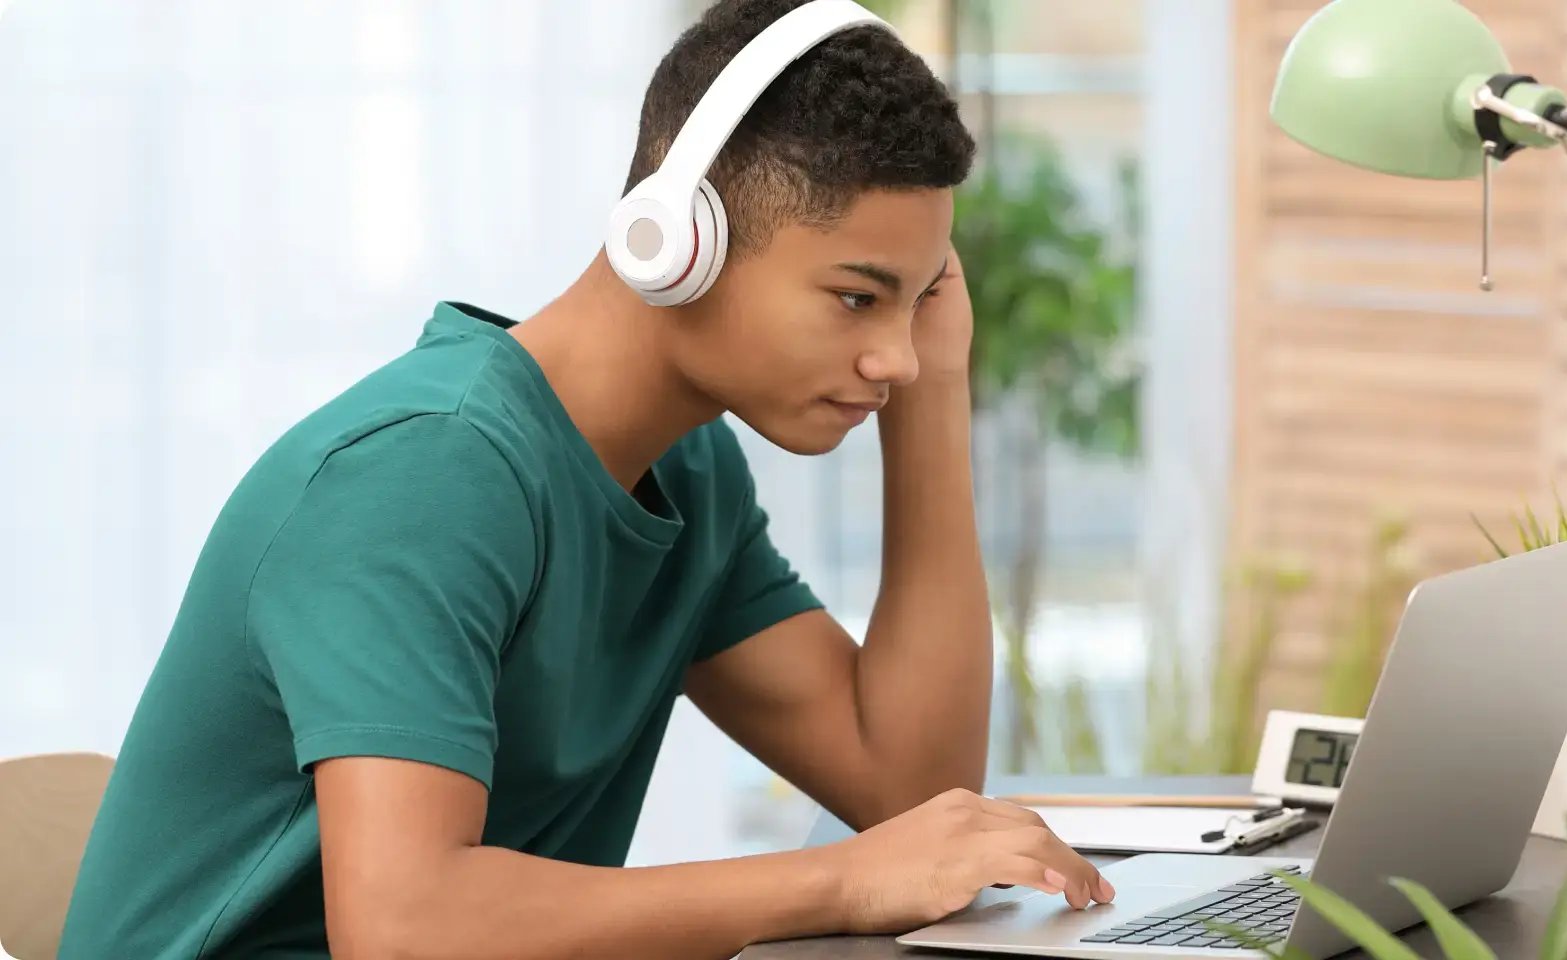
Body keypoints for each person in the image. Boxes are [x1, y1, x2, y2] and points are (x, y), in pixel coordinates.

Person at [57, 1, 1113, 957]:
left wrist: (932, 397)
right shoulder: (427, 475)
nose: (896, 353)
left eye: (916, 300)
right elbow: (404, 927)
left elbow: (909, 789)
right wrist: (835, 880)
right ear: (677, 242)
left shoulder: (687, 472)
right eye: (855, 298)